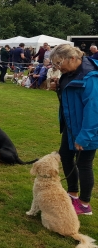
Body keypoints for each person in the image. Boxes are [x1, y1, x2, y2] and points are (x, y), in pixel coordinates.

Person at [50, 44, 98, 215]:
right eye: (55, 64)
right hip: (71, 127)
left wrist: (84, 137)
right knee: (66, 156)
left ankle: (84, 205)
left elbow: (93, 110)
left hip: (87, 130)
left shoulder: (90, 77)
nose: (57, 67)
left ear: (72, 58)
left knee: (84, 164)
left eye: (58, 63)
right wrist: (57, 88)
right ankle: (72, 194)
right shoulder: (68, 73)